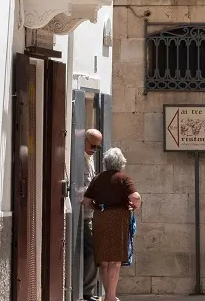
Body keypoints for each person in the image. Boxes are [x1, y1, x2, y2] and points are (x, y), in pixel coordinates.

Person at [82, 147, 141, 301]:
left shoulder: (98, 179)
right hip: (118, 220)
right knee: (115, 261)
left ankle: (107, 295)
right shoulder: (123, 178)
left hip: (100, 219)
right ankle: (110, 297)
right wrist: (134, 206)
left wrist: (97, 207)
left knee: (103, 260)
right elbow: (136, 197)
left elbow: (86, 202)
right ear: (121, 162)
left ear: (106, 163)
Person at [80, 129, 103, 301]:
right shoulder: (78, 158)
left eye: (97, 147)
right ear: (84, 141)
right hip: (82, 213)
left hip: (89, 213)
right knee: (92, 250)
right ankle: (86, 291)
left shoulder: (91, 158)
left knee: (92, 250)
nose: (94, 150)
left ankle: (87, 290)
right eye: (92, 146)